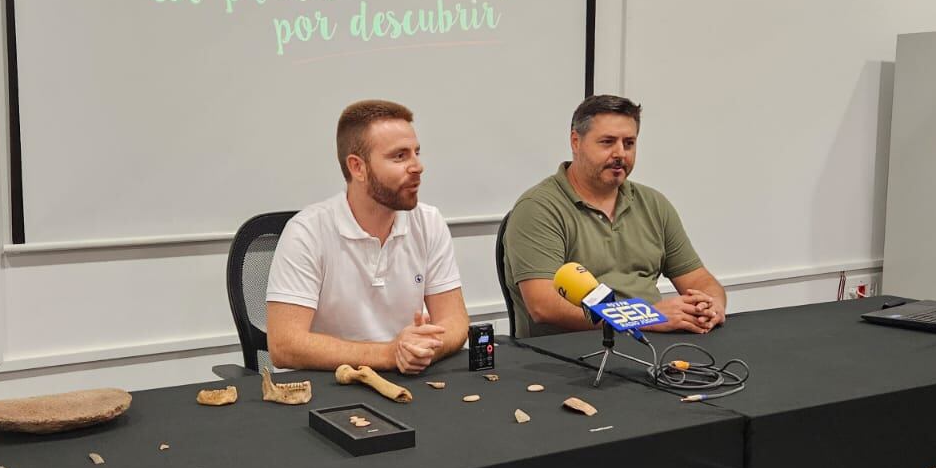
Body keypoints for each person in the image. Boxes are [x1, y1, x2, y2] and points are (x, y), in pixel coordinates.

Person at [267, 99, 470, 373]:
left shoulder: (429, 222)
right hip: (331, 390)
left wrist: (422, 348)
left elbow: (455, 321)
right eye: (400, 156)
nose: (417, 166)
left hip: (410, 383)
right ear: (357, 167)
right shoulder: (306, 232)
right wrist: (388, 354)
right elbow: (285, 345)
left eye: (416, 153)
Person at [503, 94, 726, 338]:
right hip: (573, 353)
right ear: (575, 142)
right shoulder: (538, 208)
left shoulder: (653, 204)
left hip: (654, 343)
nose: (620, 153)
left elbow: (699, 279)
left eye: (629, 143)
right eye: (607, 142)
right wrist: (643, 317)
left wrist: (711, 305)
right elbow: (543, 306)